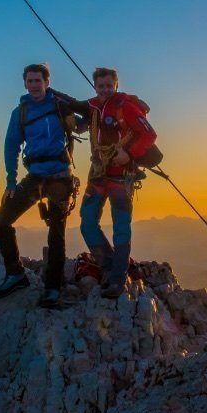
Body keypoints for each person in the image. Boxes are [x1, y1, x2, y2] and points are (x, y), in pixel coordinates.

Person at [0, 63, 88, 308]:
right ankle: (15, 273)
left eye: (38, 80)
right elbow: (11, 146)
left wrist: (80, 107)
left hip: (60, 176)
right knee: (2, 220)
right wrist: (11, 181)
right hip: (35, 175)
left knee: (56, 232)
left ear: (47, 82)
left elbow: (83, 124)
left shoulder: (59, 106)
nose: (34, 85)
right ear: (25, 84)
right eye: (30, 81)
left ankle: (53, 288)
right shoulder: (20, 112)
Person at [79, 67, 157, 298]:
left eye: (108, 86)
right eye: (100, 86)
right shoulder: (93, 107)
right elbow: (80, 122)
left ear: (116, 85)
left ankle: (117, 278)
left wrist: (130, 154)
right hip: (98, 173)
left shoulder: (125, 106)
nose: (104, 90)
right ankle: (110, 267)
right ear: (95, 86)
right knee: (87, 222)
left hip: (121, 175)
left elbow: (149, 134)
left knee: (121, 227)